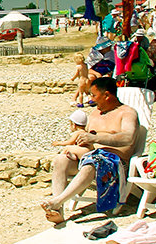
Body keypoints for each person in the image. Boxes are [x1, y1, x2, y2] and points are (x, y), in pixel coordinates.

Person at [40, 76, 140, 223]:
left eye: (93, 95)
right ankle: (58, 212)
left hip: (116, 162)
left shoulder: (127, 113)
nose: (91, 99)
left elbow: (128, 138)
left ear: (106, 95)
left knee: (93, 163)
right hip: (91, 157)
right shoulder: (95, 114)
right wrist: (75, 150)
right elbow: (88, 142)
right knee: (61, 160)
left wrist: (96, 139)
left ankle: (57, 202)